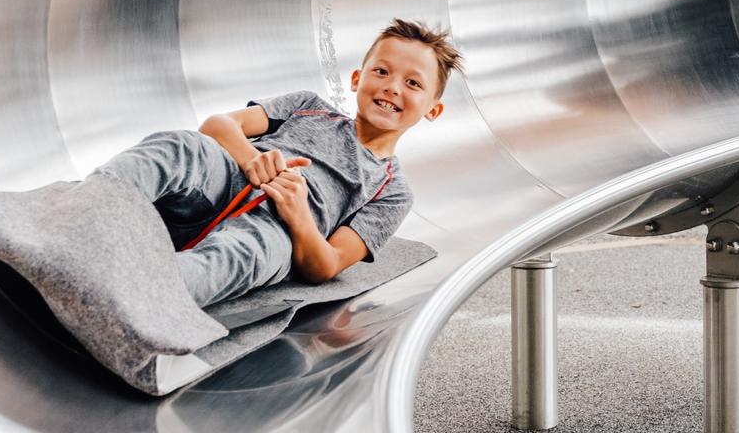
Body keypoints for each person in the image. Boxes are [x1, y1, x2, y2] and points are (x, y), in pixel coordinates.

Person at [95, 18, 463, 308]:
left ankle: (140, 293)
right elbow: (219, 125)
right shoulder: (309, 105)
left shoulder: (392, 191)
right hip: (228, 180)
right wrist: (250, 158)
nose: (392, 87)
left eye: (413, 83)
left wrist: (298, 214)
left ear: (433, 109)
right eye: (381, 71)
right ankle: (90, 207)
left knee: (243, 255)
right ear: (357, 79)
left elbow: (328, 264)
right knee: (182, 146)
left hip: (279, 231)